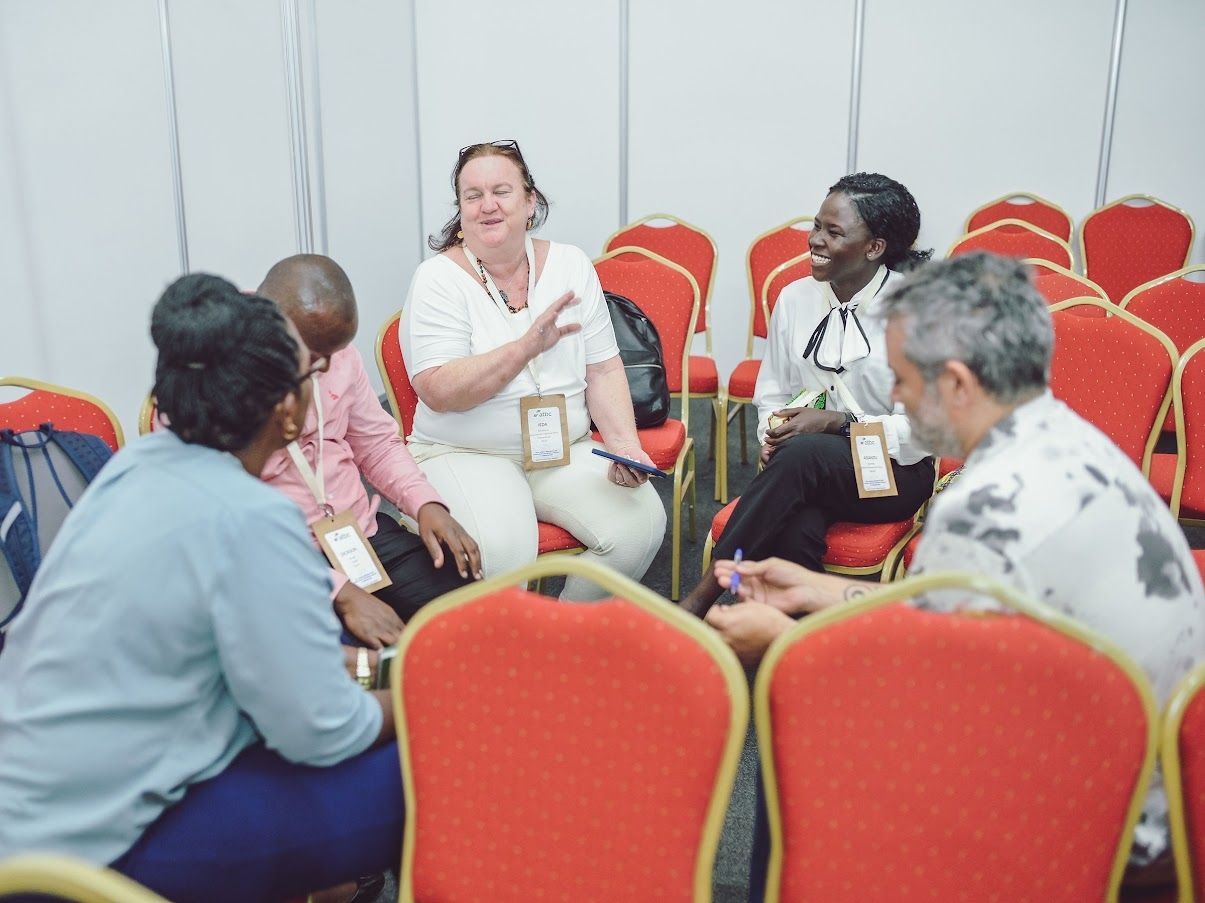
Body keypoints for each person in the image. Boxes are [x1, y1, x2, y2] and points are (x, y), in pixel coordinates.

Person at [708, 252, 1205, 887]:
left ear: (960, 384)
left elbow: (934, 696)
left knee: (795, 729)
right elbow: (971, 623)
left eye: (903, 378)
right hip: (1122, 765)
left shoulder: (988, 505)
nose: (892, 395)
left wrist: (786, 643)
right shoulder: (1062, 438)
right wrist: (825, 590)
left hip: (1098, 826)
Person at [0, 275, 403, 903]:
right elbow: (325, 732)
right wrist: (420, 689)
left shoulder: (133, 468)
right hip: (94, 863)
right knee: (439, 760)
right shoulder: (253, 518)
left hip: (29, 822)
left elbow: (196, 648)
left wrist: (338, 668)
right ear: (287, 410)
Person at [400, 140, 666, 599]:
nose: (487, 206)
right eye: (472, 195)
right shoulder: (437, 279)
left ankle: (561, 638)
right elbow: (439, 390)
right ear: (460, 209)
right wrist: (523, 350)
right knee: (503, 549)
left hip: (560, 447)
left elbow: (603, 368)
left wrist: (625, 445)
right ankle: (513, 654)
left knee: (640, 523)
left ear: (530, 201)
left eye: (501, 191)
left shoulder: (571, 264)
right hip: (464, 451)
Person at [680, 172, 936, 617]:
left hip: (893, 471)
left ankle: (702, 598)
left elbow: (924, 432)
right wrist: (773, 432)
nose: (814, 240)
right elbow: (773, 390)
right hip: (806, 466)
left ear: (874, 248)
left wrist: (840, 424)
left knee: (803, 460)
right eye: (817, 226)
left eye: (833, 232)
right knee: (795, 523)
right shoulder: (795, 299)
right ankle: (797, 641)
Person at [258, 254, 480, 648]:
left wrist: (426, 504)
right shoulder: (222, 372)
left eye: (334, 352)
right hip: (281, 558)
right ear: (272, 326)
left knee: (470, 611)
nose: (326, 365)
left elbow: (376, 444)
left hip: (355, 533)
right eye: (314, 353)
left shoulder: (329, 348)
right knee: (359, 654)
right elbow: (226, 521)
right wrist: (338, 591)